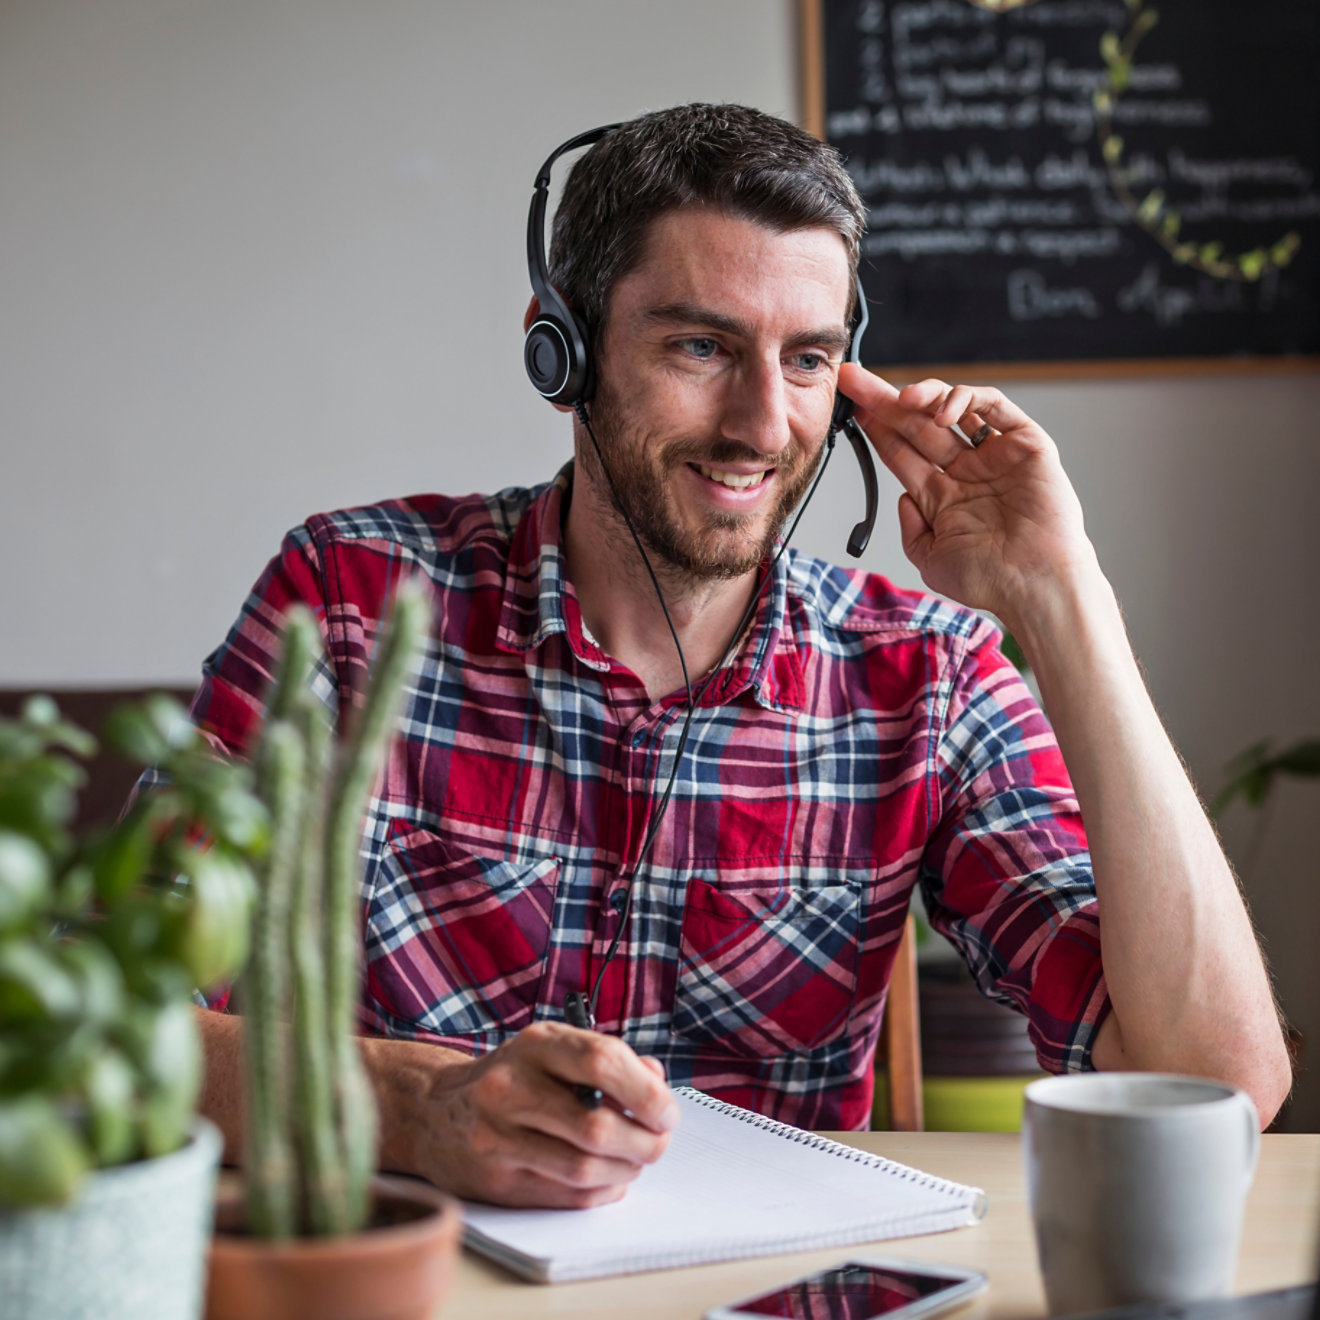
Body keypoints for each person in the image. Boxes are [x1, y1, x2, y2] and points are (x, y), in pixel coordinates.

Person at [180, 103, 1291, 1210]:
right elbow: (115, 1022)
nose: (763, 424)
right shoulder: (349, 600)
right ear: (560, 348)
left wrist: (1065, 598)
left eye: (808, 359)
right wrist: (415, 1109)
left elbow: (1216, 1086)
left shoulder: (926, 678)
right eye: (701, 346)